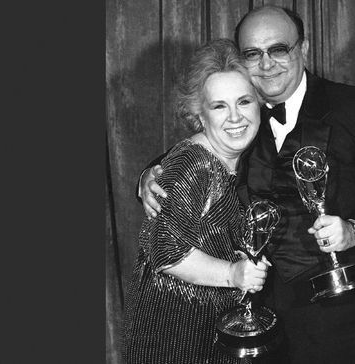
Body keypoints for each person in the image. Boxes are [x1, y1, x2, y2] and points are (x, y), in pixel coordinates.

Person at [138, 6, 355, 364]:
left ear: (303, 49)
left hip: (348, 310)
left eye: (279, 49)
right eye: (252, 54)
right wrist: (149, 174)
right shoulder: (243, 112)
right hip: (264, 312)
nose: (267, 64)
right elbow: (197, 152)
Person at [122, 38, 270, 364]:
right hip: (174, 336)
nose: (235, 117)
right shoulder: (195, 164)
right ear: (198, 113)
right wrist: (234, 274)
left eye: (244, 102)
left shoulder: (229, 161)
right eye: (219, 106)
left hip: (206, 330)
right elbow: (166, 251)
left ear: (259, 104)